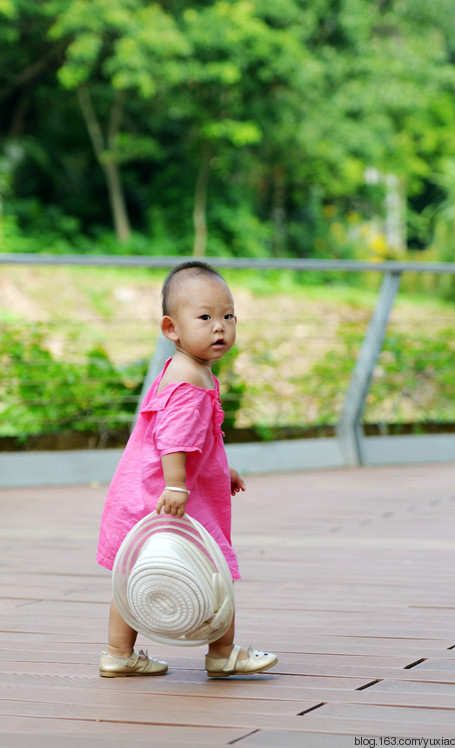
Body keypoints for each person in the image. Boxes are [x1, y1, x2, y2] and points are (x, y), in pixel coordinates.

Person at [96, 260, 278, 679]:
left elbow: (201, 437)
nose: (220, 327)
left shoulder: (191, 371)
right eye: (205, 317)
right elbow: (175, 439)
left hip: (148, 493)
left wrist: (221, 470)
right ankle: (223, 653)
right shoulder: (188, 379)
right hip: (171, 498)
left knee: (134, 572)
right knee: (217, 568)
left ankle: (118, 653)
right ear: (170, 329)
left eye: (228, 316)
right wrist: (177, 486)